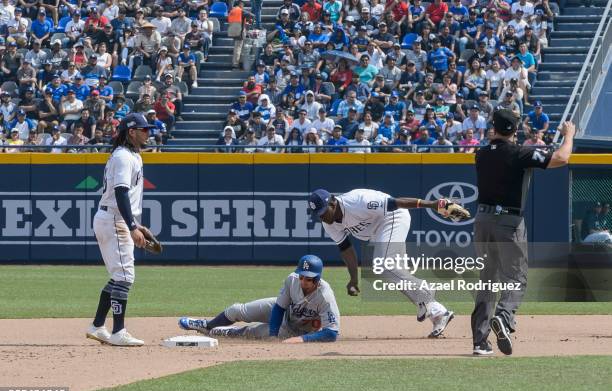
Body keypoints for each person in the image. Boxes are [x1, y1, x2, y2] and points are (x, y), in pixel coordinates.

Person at [471, 111, 575, 356]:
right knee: (516, 276)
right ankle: (504, 318)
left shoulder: (481, 154)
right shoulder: (520, 153)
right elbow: (562, 158)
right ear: (515, 131)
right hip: (508, 220)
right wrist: (569, 135)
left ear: (493, 128)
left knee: (486, 280)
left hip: (482, 220)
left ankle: (479, 341)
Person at [308, 188, 467, 337]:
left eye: (323, 212)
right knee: (397, 275)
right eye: (318, 215)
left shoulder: (358, 200)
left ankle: (425, 292)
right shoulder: (328, 224)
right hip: (378, 231)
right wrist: (354, 279)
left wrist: (432, 204)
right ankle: (439, 314)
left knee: (383, 265)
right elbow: (346, 249)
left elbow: (396, 203)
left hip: (393, 217)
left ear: (333, 202)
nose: (322, 217)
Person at [87, 113, 156, 347]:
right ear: (131, 132)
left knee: (119, 276)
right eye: (144, 129)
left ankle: (97, 326)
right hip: (114, 219)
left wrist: (137, 223)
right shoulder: (124, 157)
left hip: (113, 218)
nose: (148, 132)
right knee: (125, 277)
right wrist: (132, 226)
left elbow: (126, 195)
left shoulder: (130, 155)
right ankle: (118, 331)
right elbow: (121, 192)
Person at [179, 255, 340, 343]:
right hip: (284, 314)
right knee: (237, 309)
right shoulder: (292, 279)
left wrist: (301, 339)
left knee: (252, 332)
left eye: (309, 279)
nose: (304, 281)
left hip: (296, 330)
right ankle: (207, 325)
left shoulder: (325, 297)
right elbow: (279, 308)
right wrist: (273, 334)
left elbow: (331, 333)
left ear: (317, 279)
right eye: (302, 277)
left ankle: (226, 331)